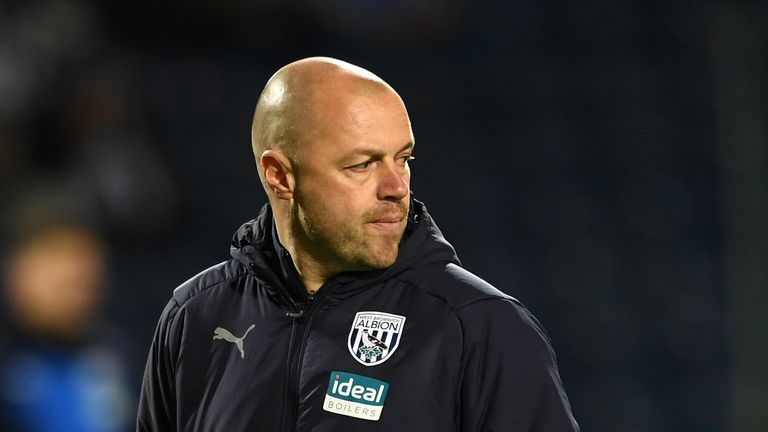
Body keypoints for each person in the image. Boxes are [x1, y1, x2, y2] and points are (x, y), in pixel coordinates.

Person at [137, 57, 579, 431]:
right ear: (279, 176)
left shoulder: (481, 328)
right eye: (362, 164)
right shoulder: (194, 317)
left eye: (403, 159)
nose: (396, 187)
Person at [0, 219, 134, 432]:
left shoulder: (122, 354)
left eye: (82, 275)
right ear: (15, 271)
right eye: (52, 258)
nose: (71, 276)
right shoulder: (8, 360)